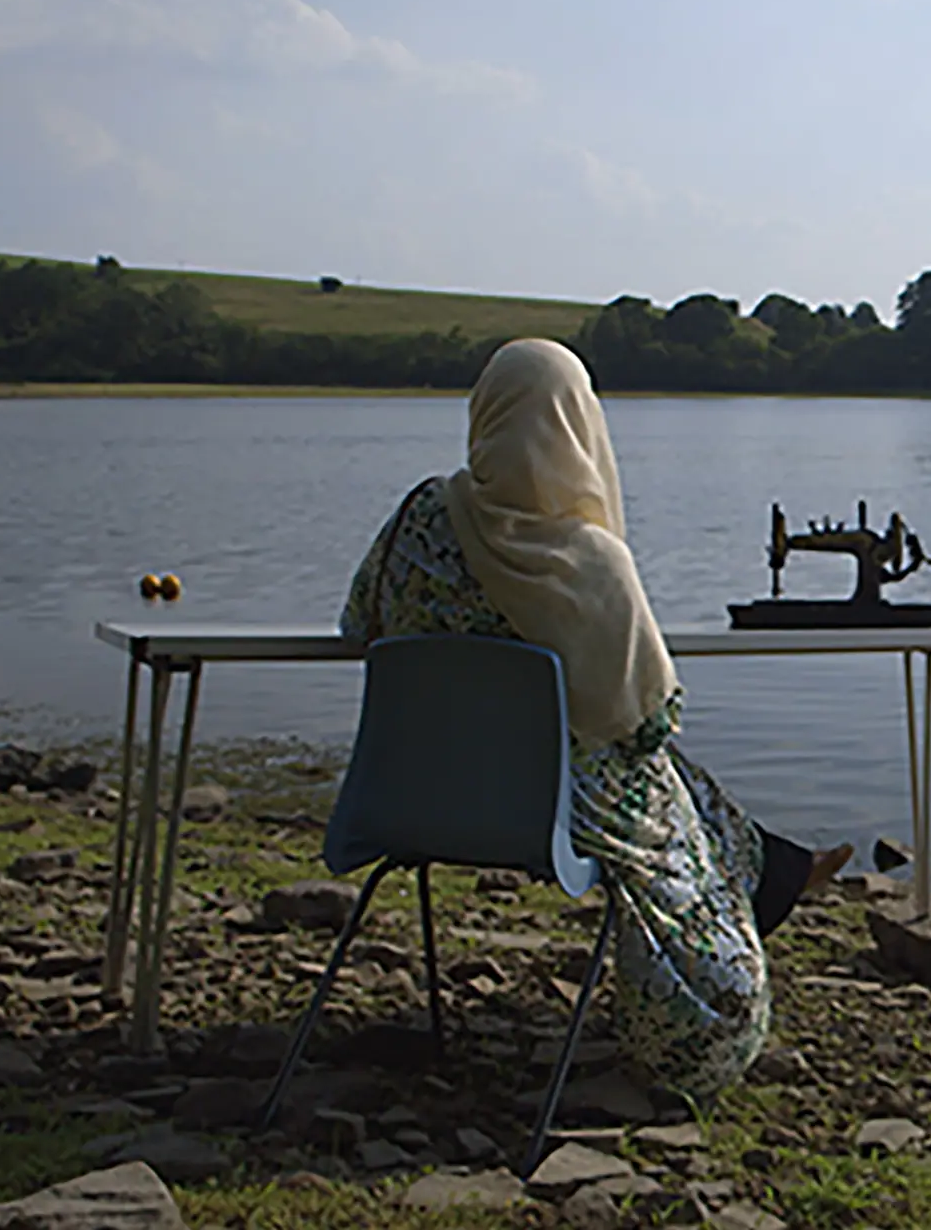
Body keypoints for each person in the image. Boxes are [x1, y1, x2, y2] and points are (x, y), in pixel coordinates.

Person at [339, 337, 850, 1100]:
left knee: (666, 783)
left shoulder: (418, 519)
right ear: (581, 429)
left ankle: (779, 867)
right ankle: (755, 901)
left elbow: (360, 628)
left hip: (412, 797)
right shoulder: (593, 565)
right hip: (547, 814)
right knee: (657, 780)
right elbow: (650, 726)